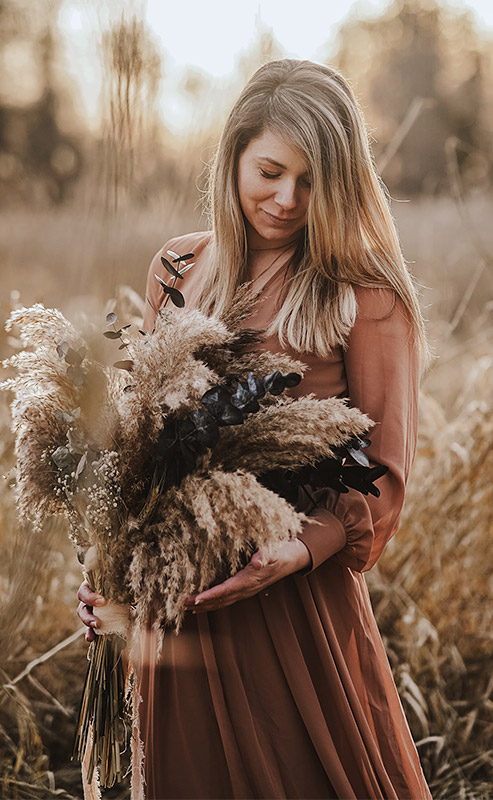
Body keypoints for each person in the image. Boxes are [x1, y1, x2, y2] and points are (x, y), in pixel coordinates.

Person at [78, 59, 432, 799]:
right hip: (179, 611)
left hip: (291, 615)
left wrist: (297, 550)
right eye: (268, 170)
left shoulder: (364, 291)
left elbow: (386, 473)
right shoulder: (177, 267)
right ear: (234, 154)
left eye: (311, 182)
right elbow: (145, 442)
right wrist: (112, 564)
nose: (286, 198)